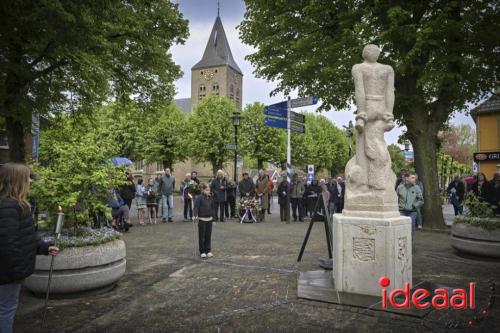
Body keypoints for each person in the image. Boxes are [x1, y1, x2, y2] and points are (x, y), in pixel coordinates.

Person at [0, 163, 59, 333]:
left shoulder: (17, 205)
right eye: (27, 178)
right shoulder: (8, 207)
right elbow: (8, 245)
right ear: (17, 181)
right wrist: (17, 272)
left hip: (10, 272)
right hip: (7, 274)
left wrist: (43, 247)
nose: (30, 181)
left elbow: (24, 236)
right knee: (6, 310)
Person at [396, 172, 424, 240]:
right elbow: (395, 198)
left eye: (413, 178)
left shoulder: (416, 188)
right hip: (401, 211)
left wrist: (414, 205)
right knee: (401, 227)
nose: (411, 179)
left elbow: (421, 200)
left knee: (411, 227)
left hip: (412, 211)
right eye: (410, 177)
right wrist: (397, 206)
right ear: (406, 178)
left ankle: (410, 244)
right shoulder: (400, 187)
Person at [193, 183, 214, 259]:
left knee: (208, 235)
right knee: (202, 236)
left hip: (209, 219)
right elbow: (196, 207)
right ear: (203, 190)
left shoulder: (210, 197)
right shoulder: (199, 198)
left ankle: (208, 250)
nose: (208, 191)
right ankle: (202, 251)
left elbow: (212, 208)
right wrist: (194, 216)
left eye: (209, 190)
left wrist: (213, 218)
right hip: (202, 219)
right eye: (207, 190)